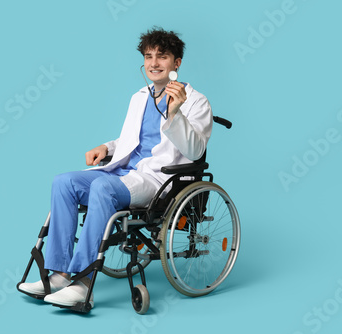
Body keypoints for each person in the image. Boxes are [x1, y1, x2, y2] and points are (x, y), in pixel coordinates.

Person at [18, 26, 213, 308]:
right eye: (148, 57)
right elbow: (132, 139)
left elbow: (195, 150)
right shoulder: (139, 97)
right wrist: (108, 148)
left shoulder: (196, 102)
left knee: (101, 187)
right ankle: (59, 274)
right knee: (63, 182)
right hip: (123, 170)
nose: (154, 63)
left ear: (176, 63)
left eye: (162, 56)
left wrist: (175, 113)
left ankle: (83, 283)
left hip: (157, 180)